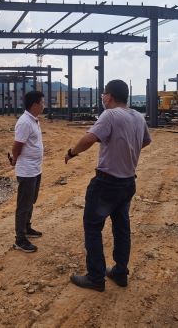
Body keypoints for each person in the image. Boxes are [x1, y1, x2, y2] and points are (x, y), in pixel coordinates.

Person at [65, 80, 151, 292]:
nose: (102, 97)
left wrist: (71, 153)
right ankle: (120, 273)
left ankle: (96, 277)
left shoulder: (110, 115)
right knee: (122, 228)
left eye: (104, 93)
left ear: (110, 96)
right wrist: (127, 149)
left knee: (93, 228)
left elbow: (89, 139)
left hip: (106, 183)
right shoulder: (138, 117)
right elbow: (146, 141)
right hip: (128, 182)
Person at [9, 90, 46, 253]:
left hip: (35, 169)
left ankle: (27, 227)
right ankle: (20, 239)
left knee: (30, 201)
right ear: (34, 104)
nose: (44, 105)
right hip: (27, 170)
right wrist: (15, 160)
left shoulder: (34, 120)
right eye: (42, 103)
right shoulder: (24, 122)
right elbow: (17, 146)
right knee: (23, 205)